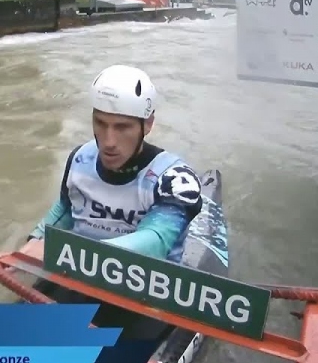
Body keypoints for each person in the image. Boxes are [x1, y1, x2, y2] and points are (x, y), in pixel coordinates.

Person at [21, 64, 204, 354]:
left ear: (148, 124)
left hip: (145, 295)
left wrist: (79, 257)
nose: (108, 142)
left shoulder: (174, 179)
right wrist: (35, 240)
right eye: (100, 123)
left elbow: (156, 242)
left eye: (122, 127)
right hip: (80, 282)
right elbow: (68, 210)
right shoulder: (79, 159)